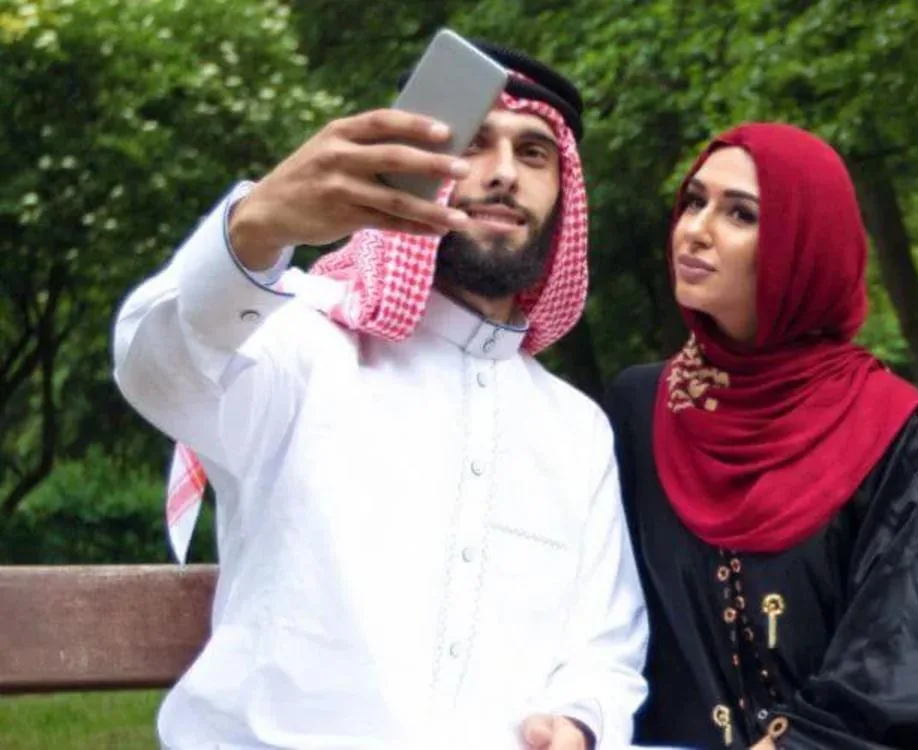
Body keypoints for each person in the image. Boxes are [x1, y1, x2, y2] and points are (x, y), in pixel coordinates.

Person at [113, 41, 647, 749]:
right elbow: (156, 366)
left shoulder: (575, 429)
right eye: (474, 144)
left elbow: (605, 643)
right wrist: (257, 228)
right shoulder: (300, 346)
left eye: (533, 153)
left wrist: (580, 718)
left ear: (563, 194)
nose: (504, 174)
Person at [602, 123, 918, 749]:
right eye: (694, 201)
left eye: (740, 214)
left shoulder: (879, 419)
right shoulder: (641, 407)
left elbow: (896, 648)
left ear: (803, 248)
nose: (696, 230)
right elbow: (601, 610)